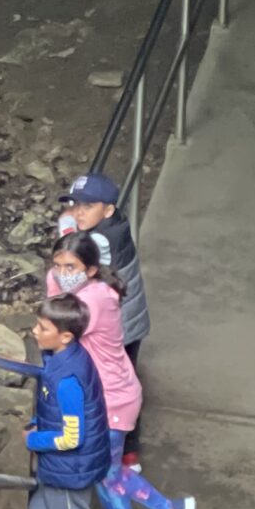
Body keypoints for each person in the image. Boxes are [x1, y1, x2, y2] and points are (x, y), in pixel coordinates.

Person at [48, 234, 195, 509]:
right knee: (106, 474)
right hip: (107, 396)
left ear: (92, 269)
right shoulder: (92, 290)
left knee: (106, 474)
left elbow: (54, 324)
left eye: (70, 267)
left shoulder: (91, 302)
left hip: (111, 400)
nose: (61, 273)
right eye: (57, 265)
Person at [60, 171, 149, 457]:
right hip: (126, 322)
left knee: (118, 390)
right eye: (75, 204)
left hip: (118, 330)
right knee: (125, 383)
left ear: (108, 209)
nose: (78, 212)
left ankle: (126, 452)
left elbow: (70, 261)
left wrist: (66, 229)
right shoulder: (116, 223)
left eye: (87, 206)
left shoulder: (102, 242)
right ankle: (126, 450)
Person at [24, 294, 110, 509]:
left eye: (43, 328)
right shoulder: (57, 359)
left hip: (70, 469)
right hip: (58, 468)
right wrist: (38, 420)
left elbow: (72, 437)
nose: (35, 331)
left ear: (65, 337)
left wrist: (34, 440)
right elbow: (53, 410)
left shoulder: (67, 380)